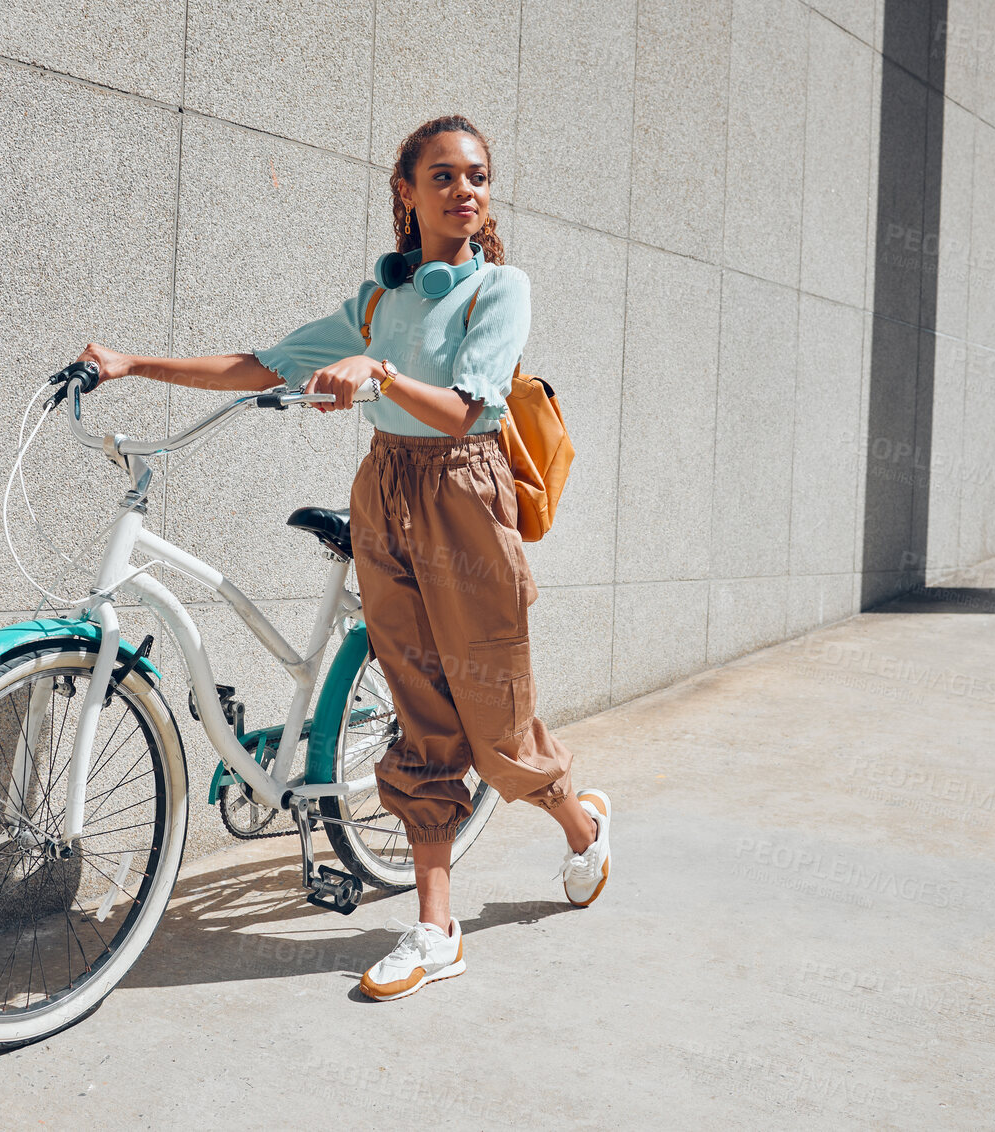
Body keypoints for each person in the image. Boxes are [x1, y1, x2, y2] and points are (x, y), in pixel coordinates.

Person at [75, 114, 611, 1002]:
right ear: (406, 191)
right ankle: (435, 929)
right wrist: (134, 364)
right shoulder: (378, 300)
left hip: (466, 499)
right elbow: (262, 364)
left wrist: (381, 376)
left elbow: (470, 411)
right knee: (421, 712)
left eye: (476, 176)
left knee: (498, 725)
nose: (463, 190)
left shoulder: (498, 289)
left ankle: (581, 823)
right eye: (441, 175)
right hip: (387, 494)